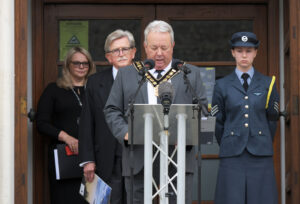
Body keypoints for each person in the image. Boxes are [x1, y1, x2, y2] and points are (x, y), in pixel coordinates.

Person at [104, 20, 208, 204]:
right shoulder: (127, 74)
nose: (159, 53)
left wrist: (188, 135)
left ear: (173, 46)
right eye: (153, 47)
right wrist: (125, 133)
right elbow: (112, 109)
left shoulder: (189, 73)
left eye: (164, 47)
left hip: (179, 159)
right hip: (138, 159)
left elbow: (202, 111)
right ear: (144, 47)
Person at [212, 31, 279, 204]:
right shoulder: (221, 85)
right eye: (239, 50)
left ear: (255, 53)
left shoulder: (268, 83)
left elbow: (272, 119)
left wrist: (260, 138)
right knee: (231, 199)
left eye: (248, 51)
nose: (244, 55)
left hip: (260, 154)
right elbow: (219, 122)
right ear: (232, 52)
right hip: (232, 155)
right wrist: (231, 140)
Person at [78, 29, 136, 204]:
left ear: (133, 52)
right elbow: (87, 123)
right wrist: (87, 160)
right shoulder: (95, 82)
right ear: (108, 57)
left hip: (138, 155)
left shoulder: (146, 78)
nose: (120, 54)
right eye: (115, 51)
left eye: (125, 49)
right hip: (106, 157)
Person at [36, 46, 96, 204]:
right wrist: (67, 138)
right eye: (76, 63)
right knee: (65, 199)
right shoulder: (54, 90)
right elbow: (41, 123)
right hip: (64, 158)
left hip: (92, 158)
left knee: (92, 200)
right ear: (68, 65)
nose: (81, 66)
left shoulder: (96, 90)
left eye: (85, 63)